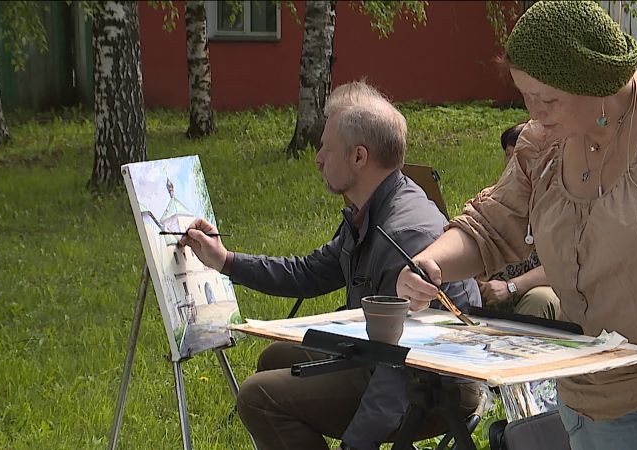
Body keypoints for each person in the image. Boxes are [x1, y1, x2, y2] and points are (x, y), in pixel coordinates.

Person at [396, 2, 637, 449]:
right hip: (600, 391)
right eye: (526, 96)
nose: (535, 112)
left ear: (597, 84)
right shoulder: (542, 144)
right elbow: (491, 226)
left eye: (549, 100)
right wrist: (431, 262)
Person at [179, 80, 481, 450]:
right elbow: (309, 273)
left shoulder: (405, 234)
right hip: (386, 357)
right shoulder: (372, 209)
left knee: (259, 396)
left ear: (358, 157)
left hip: (434, 383)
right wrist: (224, 260)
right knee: (275, 357)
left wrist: (356, 444)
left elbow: (400, 366)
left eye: (326, 148)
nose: (318, 158)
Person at [477, 122, 560, 320]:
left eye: (523, 156)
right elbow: (477, 240)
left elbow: (566, 266)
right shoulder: (491, 199)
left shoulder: (565, 206)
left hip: (543, 287)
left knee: (539, 299)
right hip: (493, 286)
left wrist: (511, 287)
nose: (515, 163)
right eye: (510, 155)